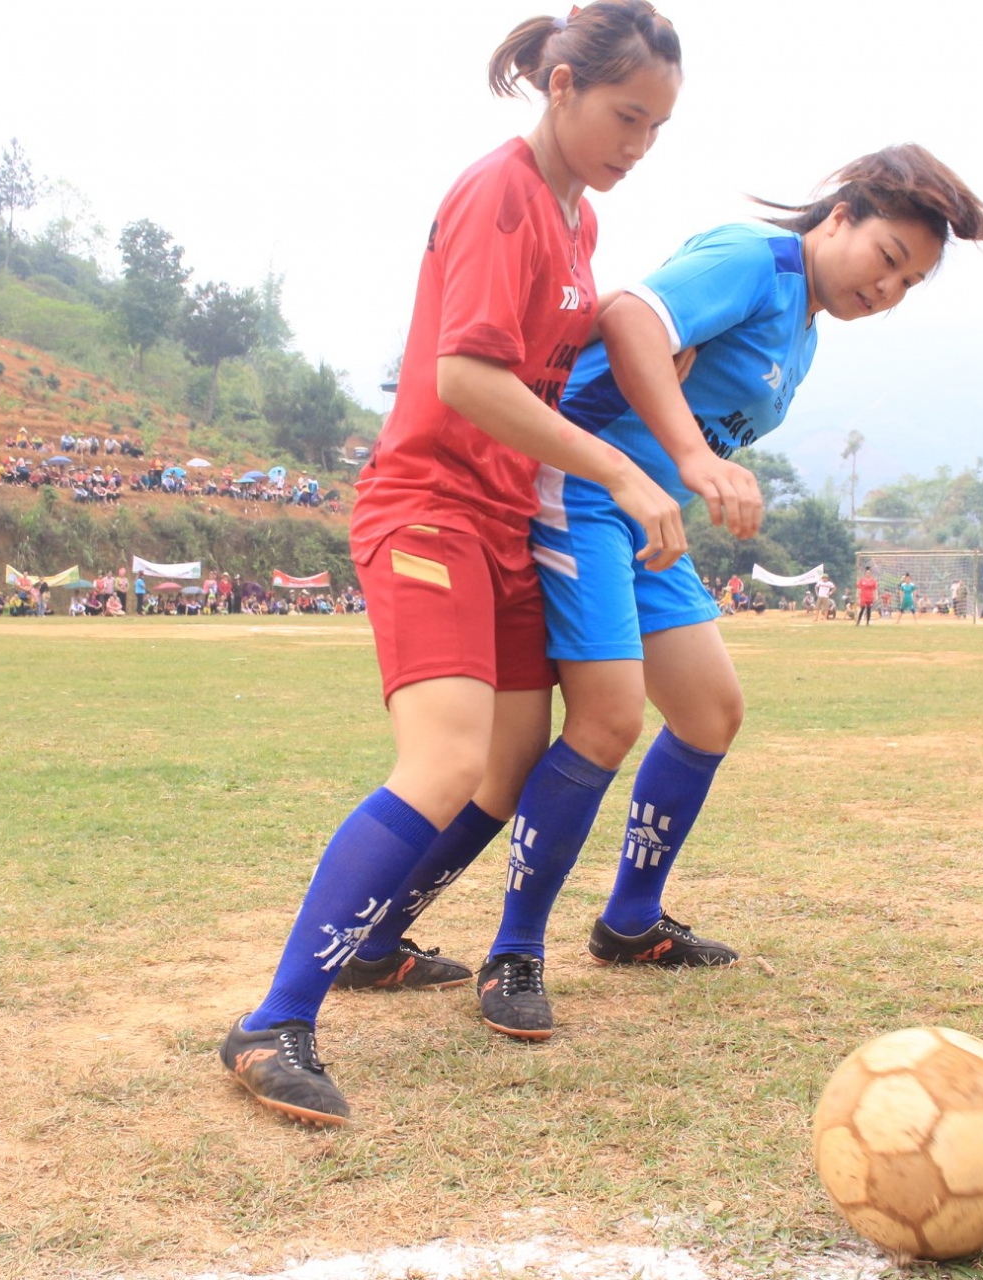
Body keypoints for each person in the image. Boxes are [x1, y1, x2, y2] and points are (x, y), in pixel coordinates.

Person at [219, 0, 685, 1129]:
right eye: (626, 114)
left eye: (658, 128)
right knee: (443, 759)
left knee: (512, 759)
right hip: (429, 508)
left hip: (504, 520)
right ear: (561, 84)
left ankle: (381, 940)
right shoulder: (500, 195)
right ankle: (275, 1019)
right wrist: (624, 475)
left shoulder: (575, 220)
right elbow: (469, 376)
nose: (638, 143)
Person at [406, 145, 983, 1040]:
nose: (889, 290)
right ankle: (515, 949)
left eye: (910, 282)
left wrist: (684, 470)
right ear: (840, 217)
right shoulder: (754, 262)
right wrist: (687, 455)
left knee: (711, 711)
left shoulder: (804, 325)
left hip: (648, 524)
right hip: (584, 494)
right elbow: (629, 314)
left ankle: (630, 920)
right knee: (605, 720)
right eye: (887, 260)